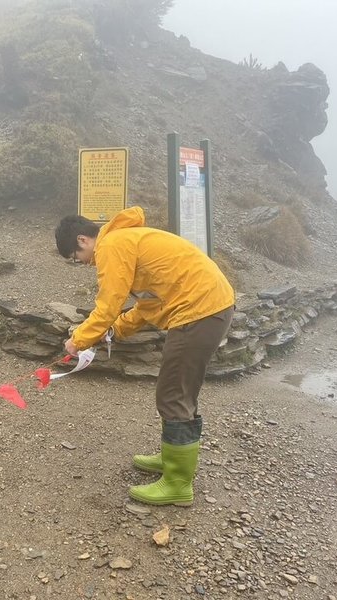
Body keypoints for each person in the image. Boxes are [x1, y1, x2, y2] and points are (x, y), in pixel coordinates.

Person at [54, 206, 234, 506]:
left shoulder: (112, 246)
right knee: (177, 390)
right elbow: (148, 305)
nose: (82, 264)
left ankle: (178, 484)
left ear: (83, 240)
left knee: (174, 393)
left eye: (76, 258)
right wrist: (115, 331)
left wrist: (78, 340)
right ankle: (170, 456)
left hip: (199, 311)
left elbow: (107, 305)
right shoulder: (126, 240)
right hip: (208, 306)